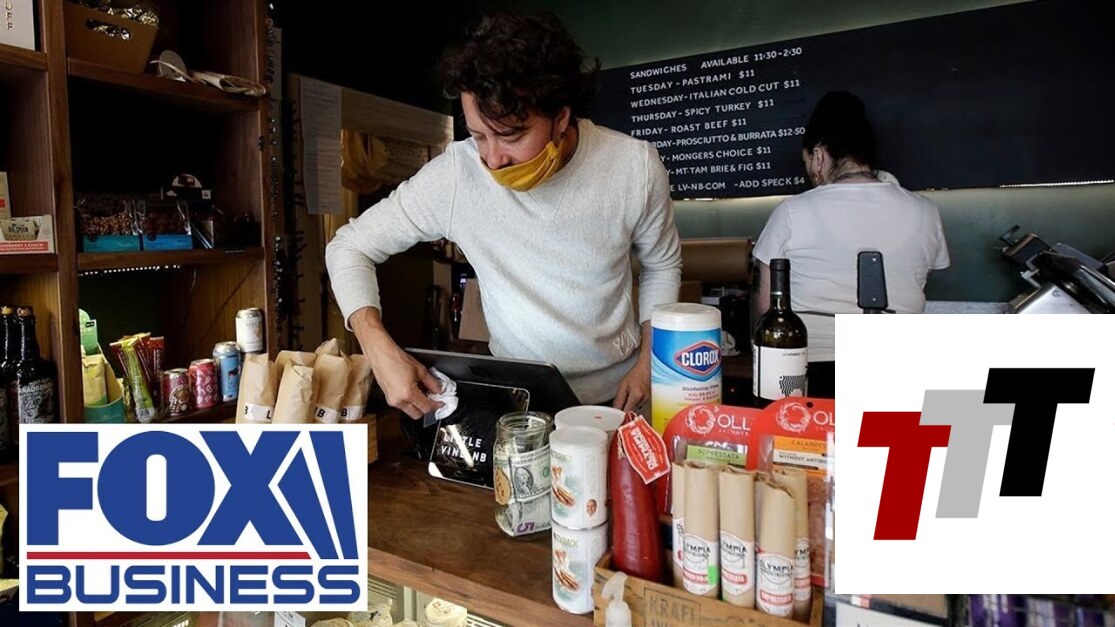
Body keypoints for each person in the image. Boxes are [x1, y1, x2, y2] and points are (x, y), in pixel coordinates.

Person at [325, 11, 682, 419]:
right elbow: (348, 247)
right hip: (520, 402)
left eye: (511, 135)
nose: (493, 159)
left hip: (619, 396)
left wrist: (648, 363)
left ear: (561, 117)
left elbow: (661, 264)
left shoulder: (634, 168)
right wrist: (376, 345)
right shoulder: (456, 177)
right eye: (478, 135)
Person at [751, 91, 950, 397]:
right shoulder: (926, 211)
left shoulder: (791, 211)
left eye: (808, 162)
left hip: (809, 374)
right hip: (898, 372)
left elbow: (767, 308)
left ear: (818, 156)